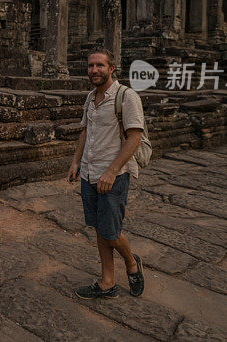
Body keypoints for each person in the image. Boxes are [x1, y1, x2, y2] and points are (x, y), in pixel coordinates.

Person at [67, 46, 146, 299]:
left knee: (110, 232)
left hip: (114, 175)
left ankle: (132, 263)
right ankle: (107, 282)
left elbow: (134, 137)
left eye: (100, 65)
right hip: (90, 172)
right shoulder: (91, 97)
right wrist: (75, 162)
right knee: (100, 229)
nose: (94, 70)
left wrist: (112, 171)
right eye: (91, 66)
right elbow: (85, 131)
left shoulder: (126, 96)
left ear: (112, 68)